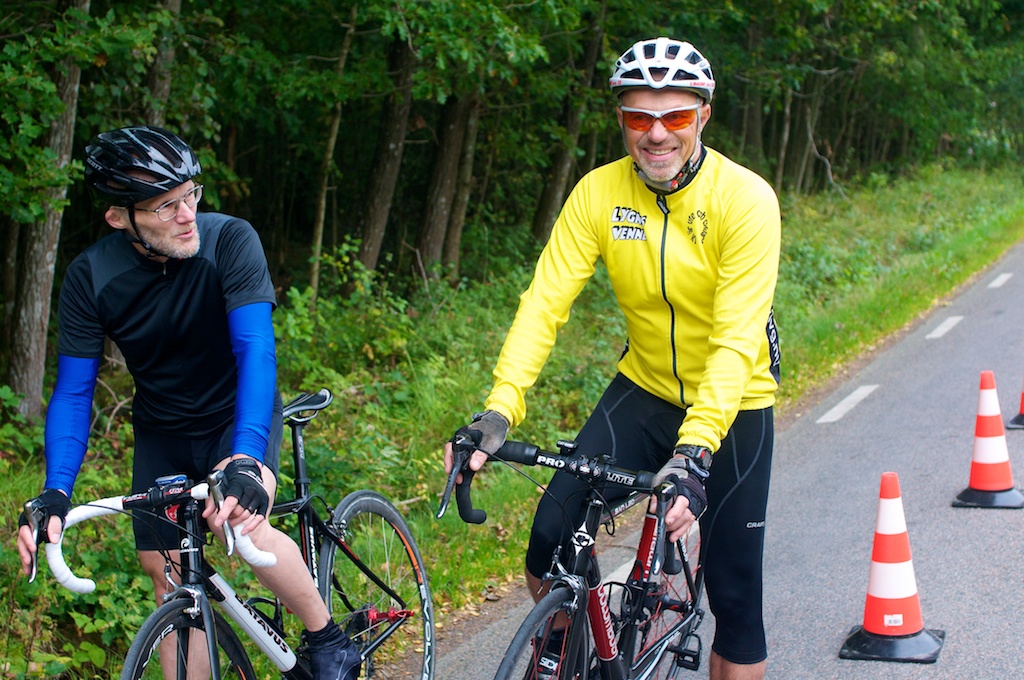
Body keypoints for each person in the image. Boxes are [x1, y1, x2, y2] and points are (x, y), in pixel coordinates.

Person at [444, 37, 781, 680]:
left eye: (674, 115)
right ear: (621, 118)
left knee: (736, 596)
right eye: (638, 116)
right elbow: (544, 303)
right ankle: (570, 653)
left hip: (735, 405)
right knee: (550, 537)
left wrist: (695, 453)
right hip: (645, 388)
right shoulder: (599, 193)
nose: (656, 133)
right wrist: (499, 409)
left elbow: (736, 340)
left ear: (703, 115)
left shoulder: (746, 199)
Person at [15, 126, 359, 679]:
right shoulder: (89, 278)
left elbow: (255, 350)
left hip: (235, 414)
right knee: (166, 572)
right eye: (165, 205)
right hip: (163, 432)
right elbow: (75, 392)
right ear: (118, 218)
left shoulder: (230, 240)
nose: (187, 214)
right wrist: (56, 491)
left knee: (243, 525)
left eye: (191, 194)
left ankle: (328, 640)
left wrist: (246, 457)